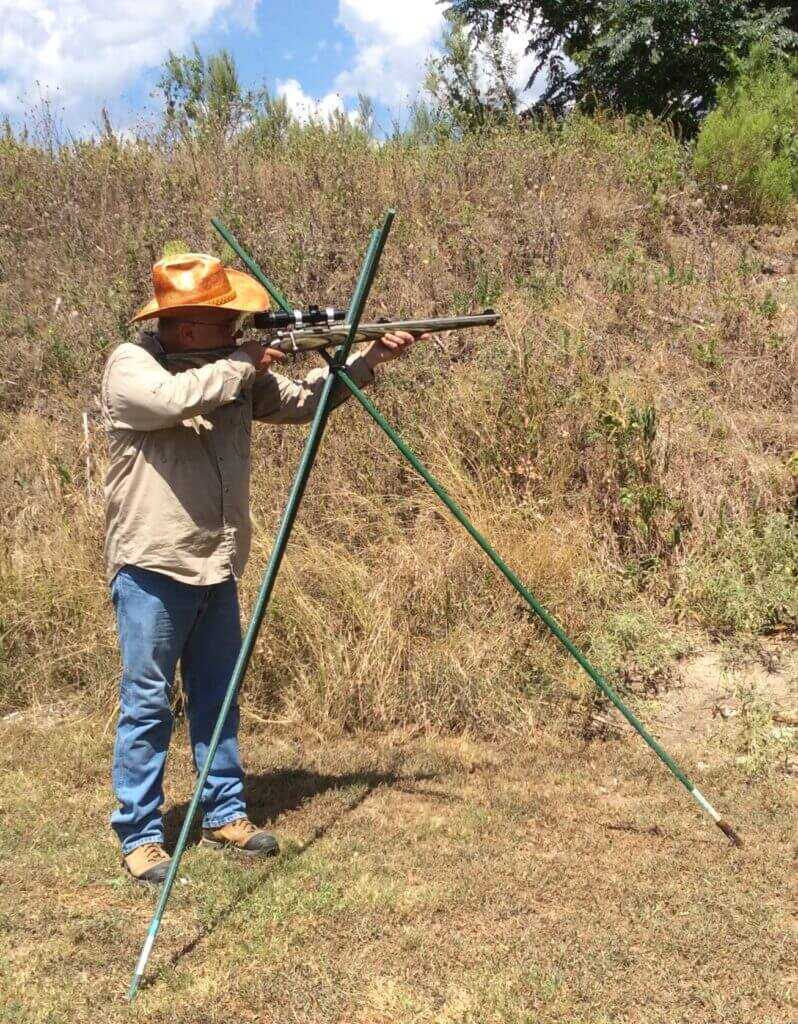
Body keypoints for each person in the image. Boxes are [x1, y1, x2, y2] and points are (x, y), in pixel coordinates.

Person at [102, 252, 422, 884]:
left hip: (216, 562)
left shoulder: (230, 370)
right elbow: (170, 399)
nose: (238, 327)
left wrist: (367, 360)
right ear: (187, 325)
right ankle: (139, 834)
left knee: (218, 697)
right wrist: (239, 365)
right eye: (225, 320)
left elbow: (304, 402)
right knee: (147, 705)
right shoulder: (131, 366)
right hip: (153, 565)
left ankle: (225, 811)